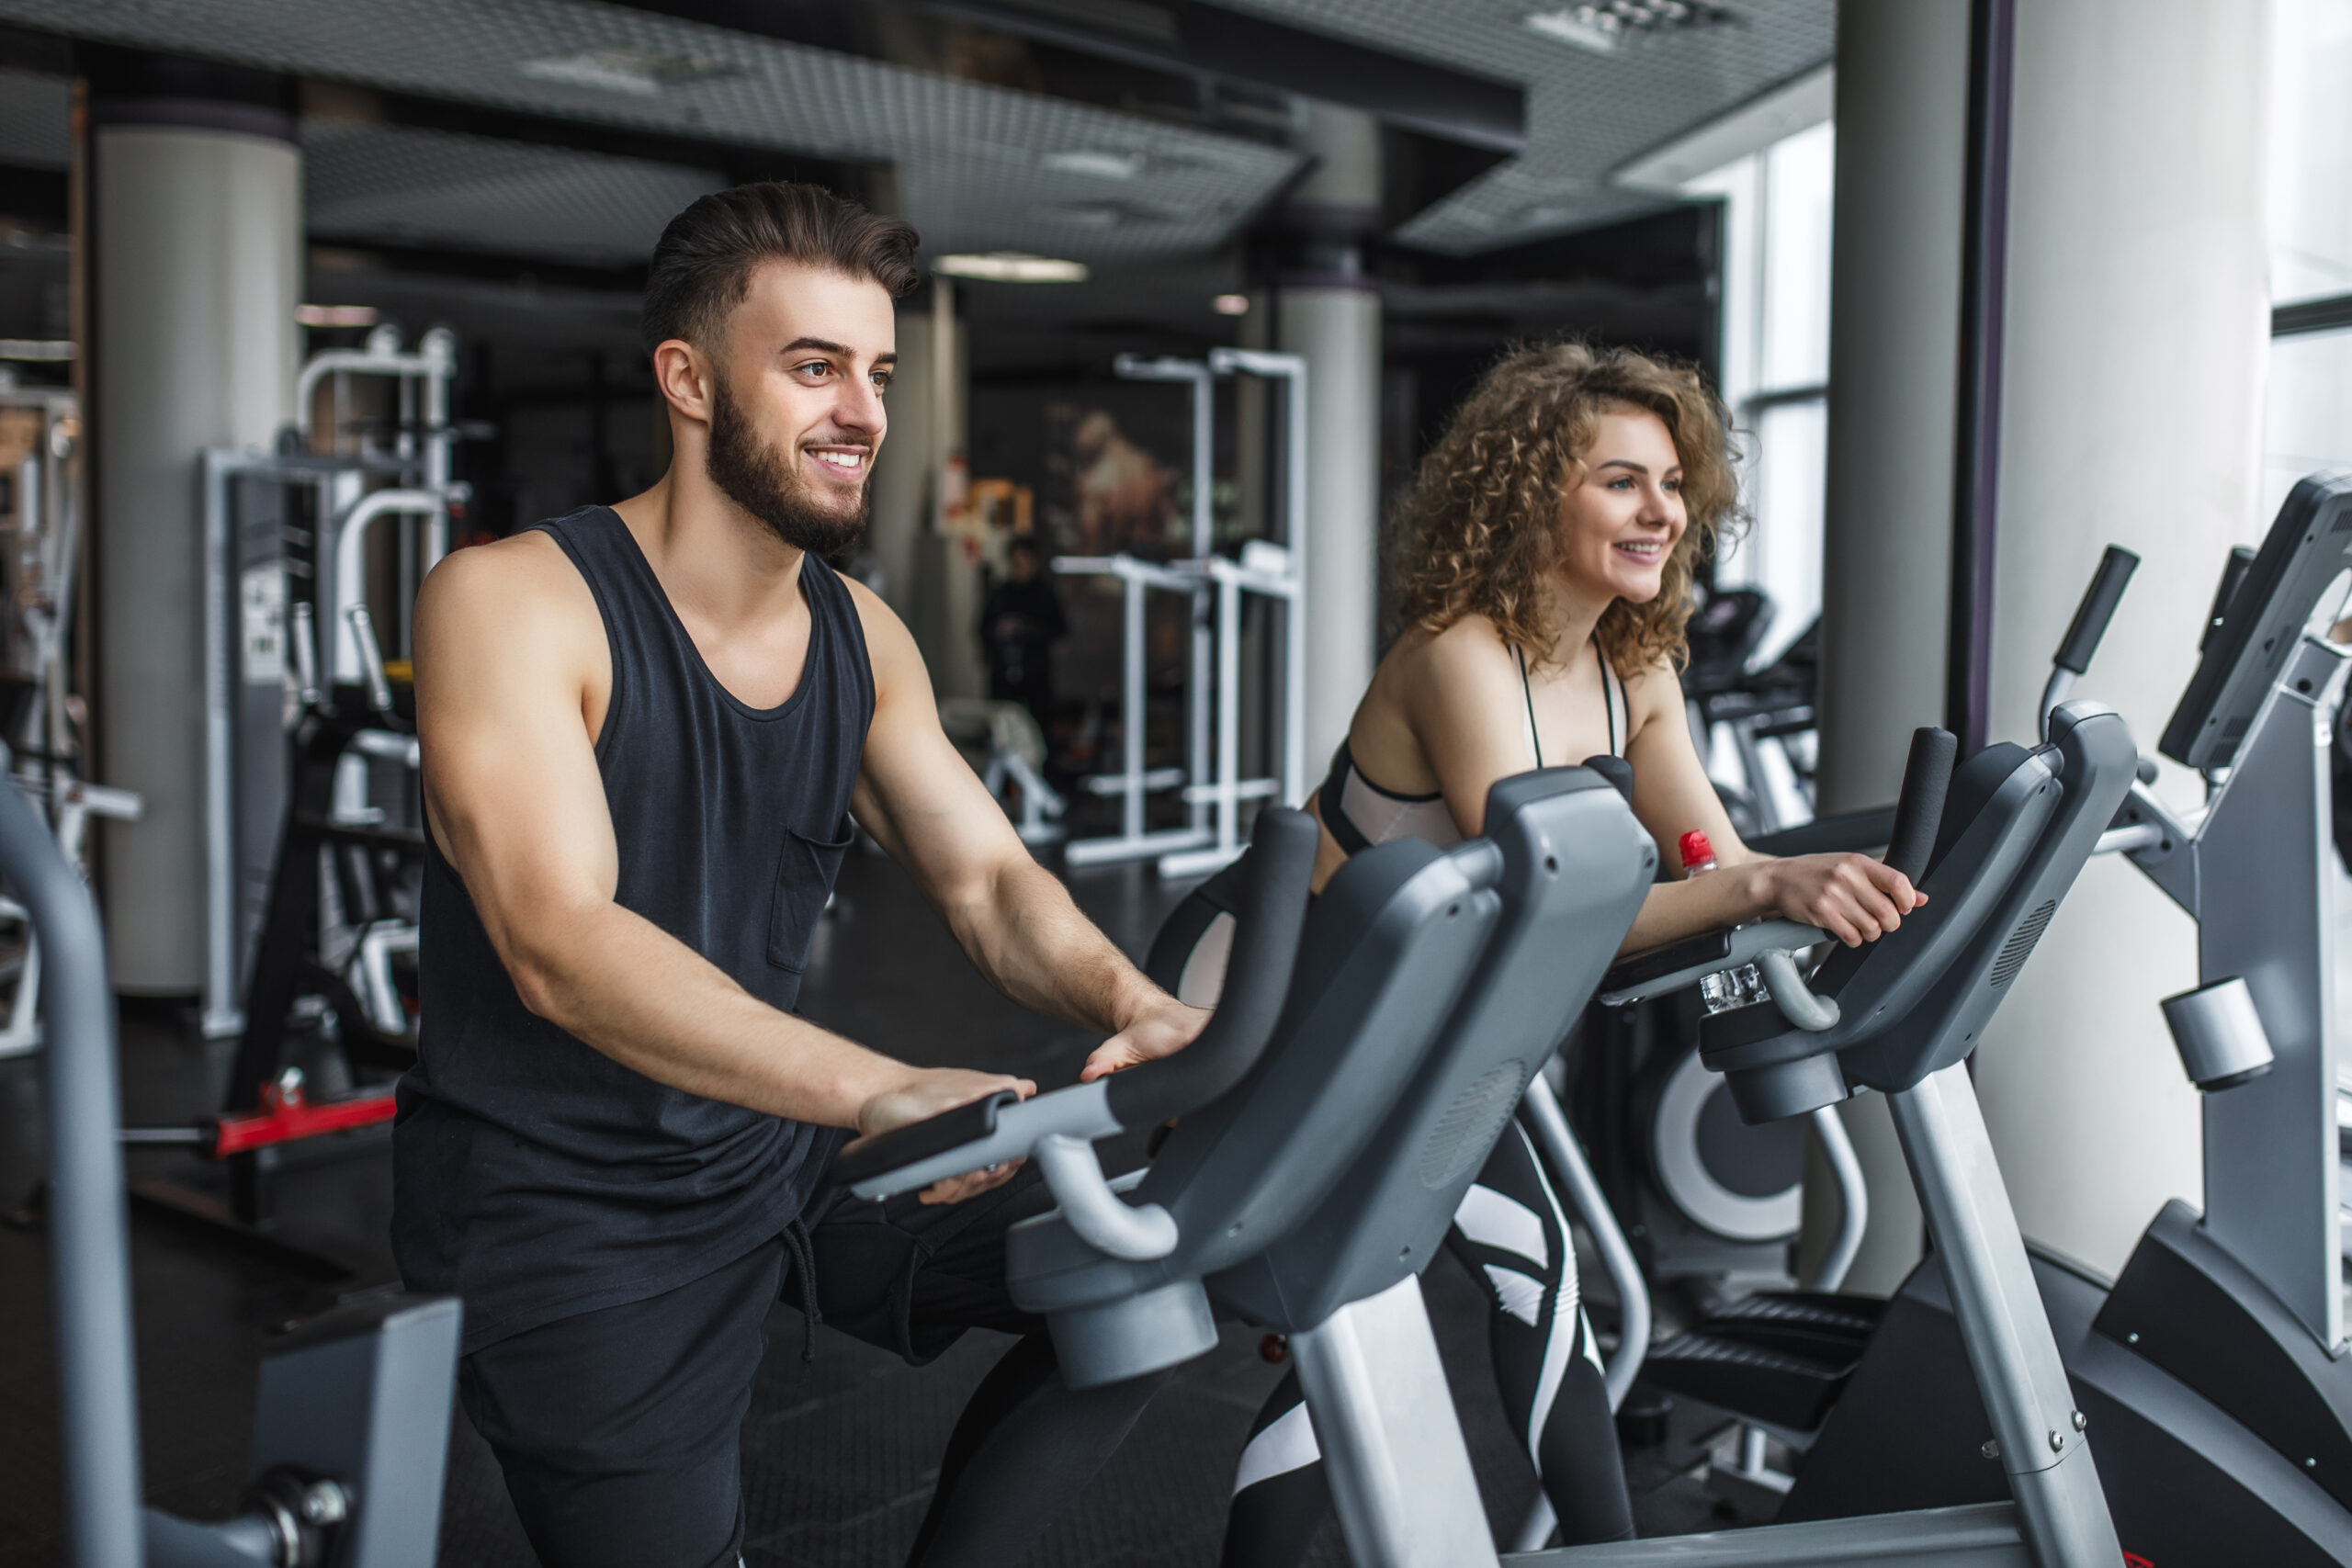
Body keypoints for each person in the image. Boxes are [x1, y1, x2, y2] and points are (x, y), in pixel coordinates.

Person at [391, 181, 1205, 1568]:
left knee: (1134, 1287)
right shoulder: (515, 601)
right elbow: (559, 937)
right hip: (566, 1203)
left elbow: (990, 883)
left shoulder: (862, 635)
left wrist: (1138, 1001)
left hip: (768, 1145)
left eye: (877, 370)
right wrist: (877, 1089)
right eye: (814, 366)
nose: (863, 411)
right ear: (689, 380)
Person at [1093, 341, 1926, 1562]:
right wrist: (1752, 881)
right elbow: (1557, 905)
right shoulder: (1458, 658)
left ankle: (1601, 1547)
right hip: (1272, 988)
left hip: (1414, 1020)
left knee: (1426, 1292)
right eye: (1622, 481)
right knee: (1321, 1302)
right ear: (1536, 495)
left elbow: (1704, 854)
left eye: (1676, 482)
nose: (1663, 512)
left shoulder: (1638, 666)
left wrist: (1782, 885)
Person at [981, 534, 1067, 736]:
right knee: (1002, 731)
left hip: (1036, 676)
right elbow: (982, 628)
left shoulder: (1045, 594)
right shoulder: (1000, 593)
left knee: (1040, 730)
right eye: (1015, 560)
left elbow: (1059, 632)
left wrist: (1025, 629)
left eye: (1023, 560)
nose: (1019, 566)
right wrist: (998, 632)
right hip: (1003, 675)